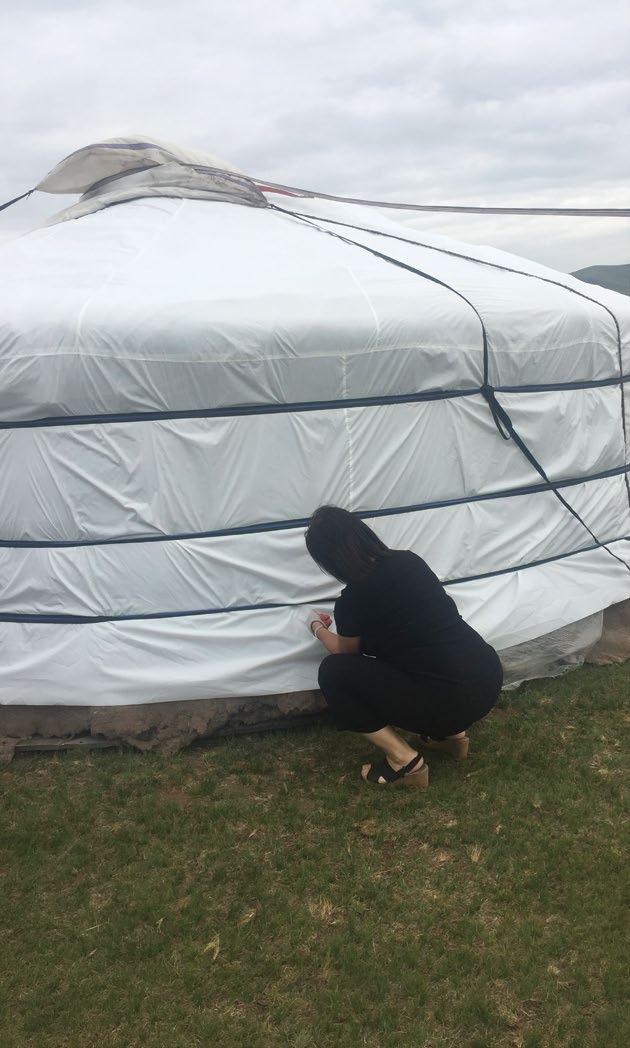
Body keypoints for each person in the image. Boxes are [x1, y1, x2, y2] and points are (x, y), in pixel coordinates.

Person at [304, 505, 503, 790]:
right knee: (425, 652)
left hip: (450, 701)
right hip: (487, 677)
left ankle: (404, 761)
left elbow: (346, 654)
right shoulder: (409, 561)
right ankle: (452, 738)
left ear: (330, 561)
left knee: (334, 673)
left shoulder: (353, 600)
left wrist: (318, 628)